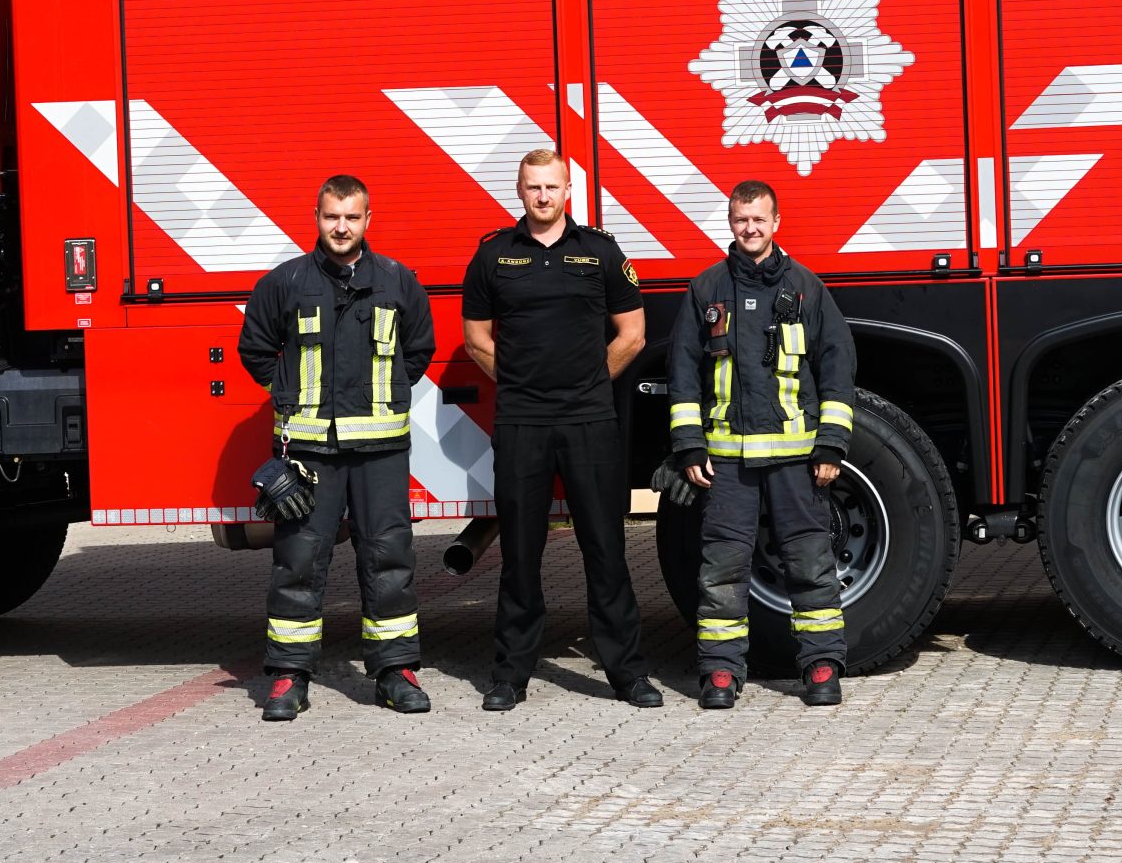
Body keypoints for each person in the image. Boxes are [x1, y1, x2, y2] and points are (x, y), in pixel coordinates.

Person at [461, 149, 658, 711]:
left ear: (568, 190)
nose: (542, 196)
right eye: (533, 187)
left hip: (588, 419)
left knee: (606, 549)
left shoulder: (600, 251)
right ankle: (510, 675)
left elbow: (633, 334)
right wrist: (521, 384)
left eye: (552, 186)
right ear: (519, 191)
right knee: (520, 554)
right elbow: (476, 339)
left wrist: (588, 384)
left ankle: (628, 673)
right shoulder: (493, 255)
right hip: (521, 421)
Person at [237, 174, 436, 721]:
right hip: (310, 452)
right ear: (317, 218)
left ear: (368, 220)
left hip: (380, 451)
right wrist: (288, 394)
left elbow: (419, 350)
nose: (341, 227)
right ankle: (289, 676)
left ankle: (395, 672)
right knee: (298, 561)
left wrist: (385, 396)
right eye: (332, 217)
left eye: (351, 217)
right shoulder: (286, 282)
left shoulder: (398, 281)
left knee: (389, 558)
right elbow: (255, 348)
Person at [666, 179, 858, 710]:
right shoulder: (707, 289)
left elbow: (837, 367)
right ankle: (720, 672)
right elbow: (683, 371)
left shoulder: (806, 288)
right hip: (726, 463)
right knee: (722, 569)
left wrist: (831, 445)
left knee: (810, 563)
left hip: (796, 461)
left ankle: (822, 665)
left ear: (776, 223)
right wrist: (689, 445)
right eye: (740, 219)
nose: (749, 228)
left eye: (758, 219)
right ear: (730, 223)